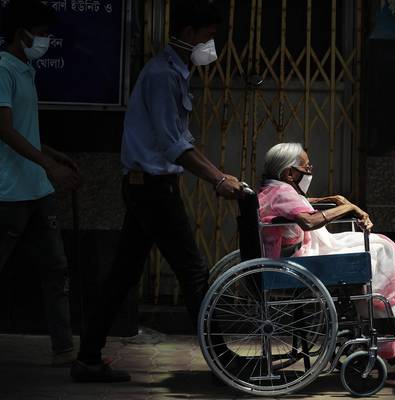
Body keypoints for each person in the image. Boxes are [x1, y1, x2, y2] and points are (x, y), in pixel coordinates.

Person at [71, 0, 244, 382]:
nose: (211, 47)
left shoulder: (175, 72)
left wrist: (219, 173)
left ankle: (87, 357)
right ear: (188, 34)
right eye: (209, 37)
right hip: (151, 190)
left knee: (123, 275)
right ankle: (222, 362)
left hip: (148, 189)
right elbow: (173, 146)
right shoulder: (163, 76)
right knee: (194, 271)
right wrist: (217, 180)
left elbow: (183, 140)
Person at [258, 143, 395, 360]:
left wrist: (333, 199)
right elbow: (307, 220)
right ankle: (389, 341)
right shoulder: (282, 192)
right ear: (289, 173)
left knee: (381, 246)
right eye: (306, 168)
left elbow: (301, 204)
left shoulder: (272, 189)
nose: (309, 173)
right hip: (301, 260)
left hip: (297, 255)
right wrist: (349, 208)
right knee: (381, 255)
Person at [0, 0, 80, 366]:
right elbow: (3, 129)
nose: (46, 41)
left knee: (56, 267)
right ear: (22, 33)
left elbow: (24, 128)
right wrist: (48, 163)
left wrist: (51, 152)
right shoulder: (3, 68)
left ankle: (63, 348)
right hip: (9, 191)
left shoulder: (26, 68)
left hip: (37, 189)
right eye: (43, 34)